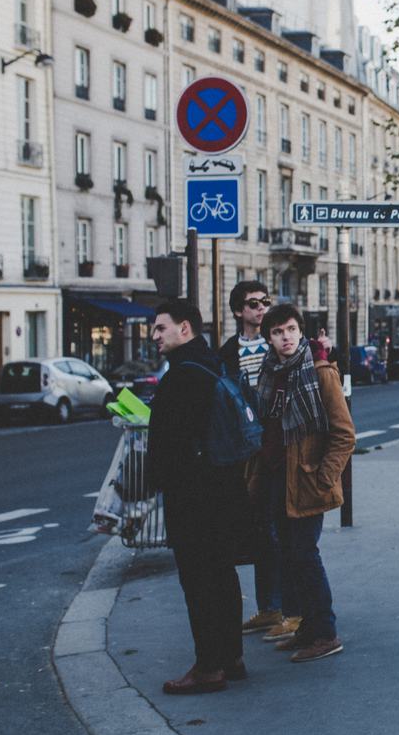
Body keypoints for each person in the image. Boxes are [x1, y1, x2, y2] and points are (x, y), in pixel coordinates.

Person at [146, 299, 246, 695]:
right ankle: (231, 656)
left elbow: (174, 443)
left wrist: (160, 479)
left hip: (195, 496)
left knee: (199, 580)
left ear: (184, 329)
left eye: (160, 328)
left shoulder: (182, 377)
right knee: (222, 575)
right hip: (224, 487)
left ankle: (208, 666)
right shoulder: (213, 363)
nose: (154, 336)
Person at [246, 303, 355, 663]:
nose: (286, 337)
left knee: (306, 556)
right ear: (269, 339)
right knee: (290, 558)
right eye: (278, 332)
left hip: (307, 481)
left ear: (301, 331)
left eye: (291, 329)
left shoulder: (320, 373)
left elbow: (344, 434)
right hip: (277, 478)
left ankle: (325, 632)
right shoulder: (270, 372)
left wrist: (324, 477)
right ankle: (308, 628)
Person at [218, 280, 285, 638]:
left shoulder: (279, 343)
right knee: (260, 532)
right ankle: (268, 608)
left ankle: (285, 608)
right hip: (245, 453)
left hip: (276, 446)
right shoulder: (227, 354)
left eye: (264, 302)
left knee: (278, 531)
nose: (260, 308)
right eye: (253, 304)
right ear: (238, 311)